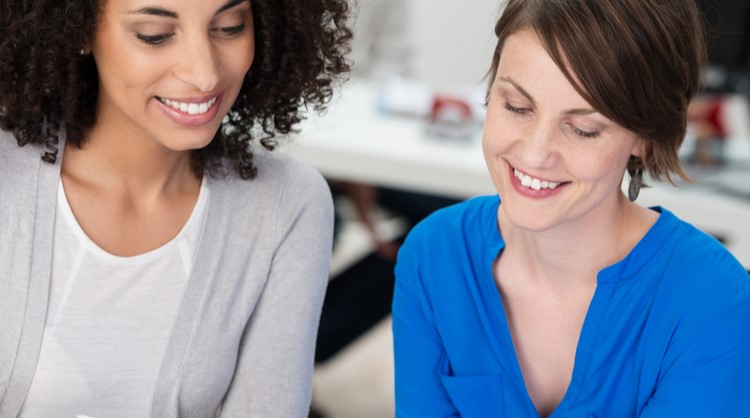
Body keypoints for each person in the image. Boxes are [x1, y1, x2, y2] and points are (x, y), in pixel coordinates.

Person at [392, 0, 750, 417]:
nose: (536, 153)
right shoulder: (435, 258)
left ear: (645, 137)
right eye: (517, 107)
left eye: (582, 129)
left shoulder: (711, 302)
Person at [0, 0, 350, 416]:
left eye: (229, 27)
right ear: (78, 28)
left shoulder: (285, 206)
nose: (204, 74)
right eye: (155, 35)